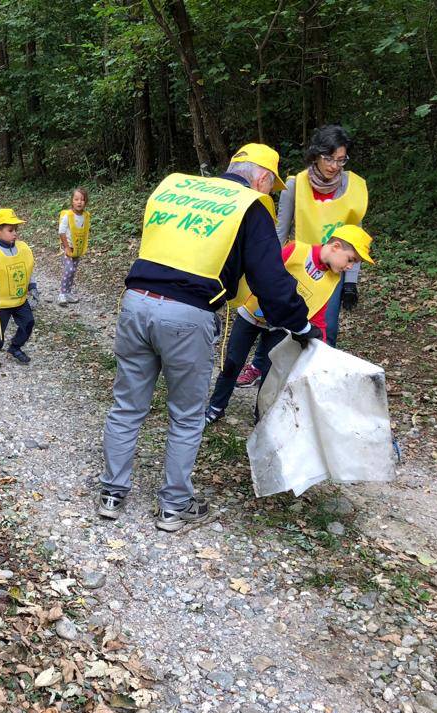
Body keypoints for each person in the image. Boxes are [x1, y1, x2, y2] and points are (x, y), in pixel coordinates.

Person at [98, 144, 320, 532]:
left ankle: (111, 495)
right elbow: (271, 281)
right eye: (271, 188)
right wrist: (300, 325)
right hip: (187, 315)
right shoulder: (250, 205)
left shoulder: (177, 187)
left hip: (136, 302)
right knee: (186, 416)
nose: (269, 196)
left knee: (127, 406)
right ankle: (173, 507)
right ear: (263, 178)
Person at [236, 124, 368, 387]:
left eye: (341, 160)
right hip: (298, 263)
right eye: (329, 158)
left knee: (326, 327)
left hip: (332, 270)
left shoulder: (354, 187)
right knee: (276, 317)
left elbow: (355, 237)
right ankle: (260, 366)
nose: (334, 166)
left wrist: (351, 281)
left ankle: (316, 379)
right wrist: (268, 265)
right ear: (316, 155)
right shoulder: (295, 184)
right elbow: (280, 229)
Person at [205, 224, 374, 425]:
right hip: (251, 314)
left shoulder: (333, 279)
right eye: (351, 259)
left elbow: (319, 313)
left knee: (270, 372)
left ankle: (262, 417)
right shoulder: (297, 250)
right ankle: (216, 406)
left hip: (281, 327)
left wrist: (321, 347)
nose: (350, 267)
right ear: (336, 246)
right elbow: (264, 272)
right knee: (232, 363)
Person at [0, 208, 36, 369]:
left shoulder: (22, 248)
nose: (15, 234)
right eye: (10, 230)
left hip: (20, 299)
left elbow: (28, 268)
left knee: (28, 322)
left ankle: (15, 347)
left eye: (16, 230)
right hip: (1, 301)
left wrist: (33, 286)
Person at [57, 188, 90, 305]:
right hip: (67, 247)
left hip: (77, 248)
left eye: (82, 199)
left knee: (73, 271)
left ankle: (68, 293)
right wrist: (66, 247)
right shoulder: (68, 215)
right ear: (72, 201)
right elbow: (61, 231)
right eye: (76, 199)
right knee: (69, 269)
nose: (79, 202)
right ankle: (62, 294)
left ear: (86, 201)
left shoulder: (85, 216)